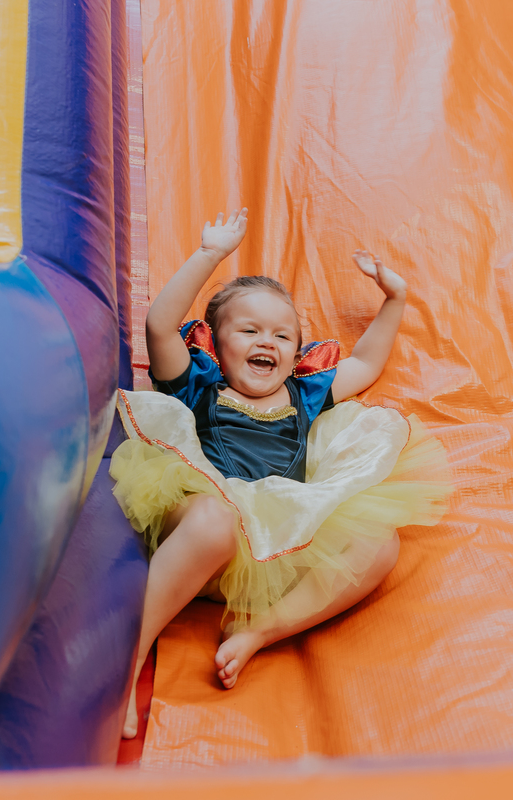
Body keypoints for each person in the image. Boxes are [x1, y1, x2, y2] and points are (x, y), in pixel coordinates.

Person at [112, 207, 449, 738]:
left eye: (282, 336)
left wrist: (395, 299)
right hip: (203, 539)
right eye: (248, 330)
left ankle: (258, 632)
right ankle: (125, 666)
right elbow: (158, 324)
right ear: (217, 346)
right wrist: (211, 253)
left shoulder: (305, 396)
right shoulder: (197, 386)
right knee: (215, 519)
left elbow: (365, 364)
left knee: (380, 543)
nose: (267, 342)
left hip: (269, 560)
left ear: (296, 356)